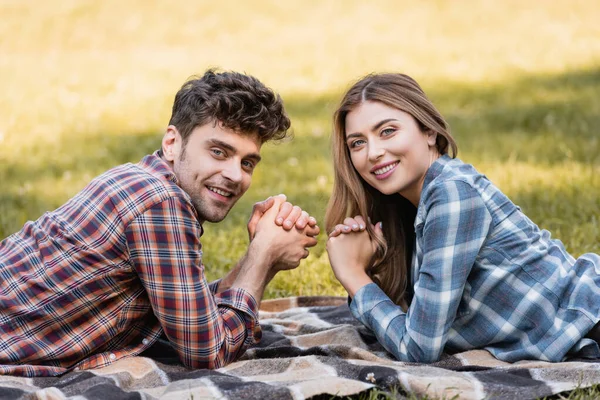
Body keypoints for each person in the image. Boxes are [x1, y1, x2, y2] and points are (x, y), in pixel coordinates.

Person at [0, 69, 320, 377]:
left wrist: (258, 252)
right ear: (172, 143)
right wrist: (263, 259)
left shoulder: (145, 181)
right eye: (219, 151)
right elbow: (208, 352)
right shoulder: (161, 203)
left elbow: (190, 313)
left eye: (247, 162)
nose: (236, 174)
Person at [325, 72, 600, 364]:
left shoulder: (452, 195)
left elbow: (418, 347)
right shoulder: (411, 202)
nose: (374, 153)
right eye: (357, 143)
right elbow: (416, 317)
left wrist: (354, 275)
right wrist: (374, 262)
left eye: (388, 131)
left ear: (429, 131)